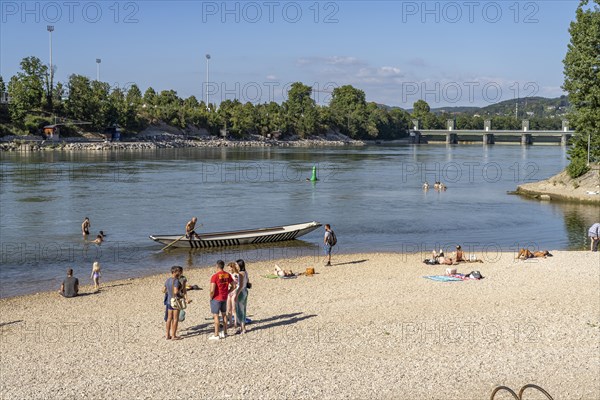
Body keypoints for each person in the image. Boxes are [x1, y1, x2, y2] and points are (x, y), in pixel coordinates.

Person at [209, 260, 233, 340]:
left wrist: (211, 296)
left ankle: (216, 334)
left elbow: (212, 290)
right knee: (224, 314)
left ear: (217, 266)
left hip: (216, 298)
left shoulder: (215, 276)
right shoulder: (227, 274)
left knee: (216, 316)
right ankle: (225, 332)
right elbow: (234, 285)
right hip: (224, 297)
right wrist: (228, 292)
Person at [163, 266, 182, 340]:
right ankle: (173, 335)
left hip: (168, 301)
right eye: (179, 272)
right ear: (175, 272)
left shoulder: (167, 280)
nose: (180, 273)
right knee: (175, 319)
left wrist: (169, 291)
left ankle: (167, 335)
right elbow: (175, 291)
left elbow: (163, 290)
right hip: (175, 301)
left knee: (169, 318)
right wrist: (181, 288)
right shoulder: (176, 281)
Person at [236, 259, 249, 335]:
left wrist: (236, 294)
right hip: (245, 291)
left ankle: (243, 328)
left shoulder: (241, 273)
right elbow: (247, 282)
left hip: (241, 292)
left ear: (239, 265)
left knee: (240, 310)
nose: (236, 266)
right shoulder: (245, 272)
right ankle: (242, 327)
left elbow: (240, 285)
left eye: (236, 265)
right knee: (243, 309)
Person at [226, 262, 240, 329]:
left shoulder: (236, 275)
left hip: (234, 292)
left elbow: (238, 284)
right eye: (228, 269)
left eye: (230, 268)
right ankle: (230, 322)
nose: (229, 270)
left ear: (233, 268)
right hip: (229, 292)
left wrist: (236, 291)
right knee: (229, 309)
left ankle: (235, 322)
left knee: (234, 308)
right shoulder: (228, 275)